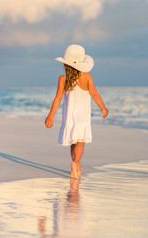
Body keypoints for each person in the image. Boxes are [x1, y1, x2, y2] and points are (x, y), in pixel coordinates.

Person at [45, 44, 109, 179]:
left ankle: (76, 164)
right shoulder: (87, 77)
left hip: (69, 117)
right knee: (80, 142)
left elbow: (57, 99)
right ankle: (76, 162)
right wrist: (103, 108)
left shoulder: (63, 79)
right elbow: (95, 94)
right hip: (83, 117)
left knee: (73, 142)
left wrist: (50, 116)